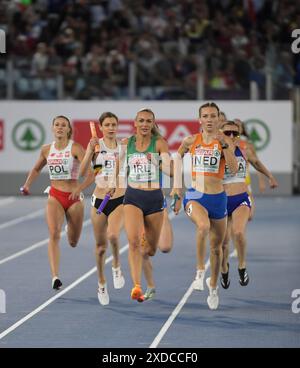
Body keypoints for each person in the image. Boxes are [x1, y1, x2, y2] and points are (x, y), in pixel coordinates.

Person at [171, 102, 238, 310]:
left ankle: (213, 287)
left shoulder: (226, 142)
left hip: (218, 198)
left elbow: (234, 170)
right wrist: (176, 186)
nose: (209, 119)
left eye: (213, 116)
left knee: (217, 249)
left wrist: (224, 145)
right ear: (200, 119)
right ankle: (200, 271)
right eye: (205, 116)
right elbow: (176, 159)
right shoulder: (191, 140)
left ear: (219, 119)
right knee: (202, 227)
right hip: (195, 196)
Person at [21, 115, 93, 290]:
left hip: (74, 198)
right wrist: (27, 185)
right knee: (53, 233)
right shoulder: (47, 149)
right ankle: (55, 277)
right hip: (55, 195)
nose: (60, 127)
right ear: (52, 128)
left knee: (73, 242)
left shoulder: (75, 148)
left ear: (69, 129)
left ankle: (71, 227)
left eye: (63, 125)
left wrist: (80, 188)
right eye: (57, 125)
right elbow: (37, 168)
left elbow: (91, 173)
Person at [121, 108, 172, 302]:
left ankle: (162, 222)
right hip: (133, 196)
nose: (144, 124)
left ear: (152, 124)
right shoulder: (127, 144)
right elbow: (115, 164)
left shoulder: (159, 143)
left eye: (148, 121)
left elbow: (170, 170)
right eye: (141, 120)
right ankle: (137, 286)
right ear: (135, 122)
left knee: (149, 250)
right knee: (133, 243)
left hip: (154, 199)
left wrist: (158, 162)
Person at [220, 120, 278, 288]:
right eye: (227, 133)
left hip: (241, 198)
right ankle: (224, 269)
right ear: (221, 133)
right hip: (221, 200)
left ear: (239, 134)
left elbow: (257, 163)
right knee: (224, 243)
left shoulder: (244, 149)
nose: (231, 136)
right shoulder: (215, 149)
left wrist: (270, 177)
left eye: (235, 133)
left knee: (238, 233)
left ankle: (242, 265)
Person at [79, 112, 126, 306]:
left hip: (119, 198)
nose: (111, 127)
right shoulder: (96, 146)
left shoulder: (123, 147)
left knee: (114, 235)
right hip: (99, 199)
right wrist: (90, 151)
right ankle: (101, 283)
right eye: (107, 124)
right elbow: (81, 173)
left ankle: (116, 265)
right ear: (101, 127)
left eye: (114, 124)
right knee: (99, 248)